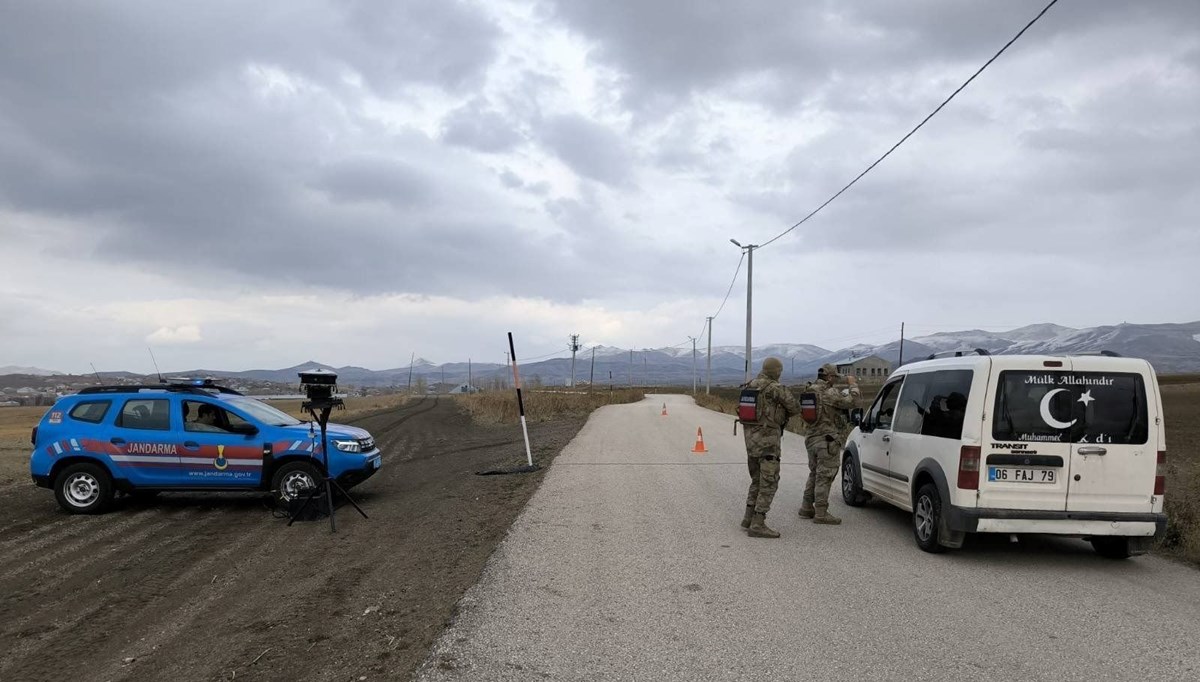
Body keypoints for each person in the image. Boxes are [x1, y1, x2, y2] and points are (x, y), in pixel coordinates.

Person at [740, 356, 803, 539]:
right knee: (770, 481)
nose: (780, 374)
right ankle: (758, 523)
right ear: (775, 371)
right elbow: (795, 408)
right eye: (780, 371)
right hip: (768, 443)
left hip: (751, 442)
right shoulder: (776, 388)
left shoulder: (750, 385)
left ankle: (748, 517)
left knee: (757, 480)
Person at [800, 363, 861, 525]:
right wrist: (852, 384)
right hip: (827, 441)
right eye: (834, 377)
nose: (835, 380)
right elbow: (853, 401)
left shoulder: (809, 390)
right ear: (828, 377)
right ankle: (821, 512)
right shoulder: (829, 393)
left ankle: (806, 507)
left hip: (811, 439)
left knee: (814, 473)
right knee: (825, 476)